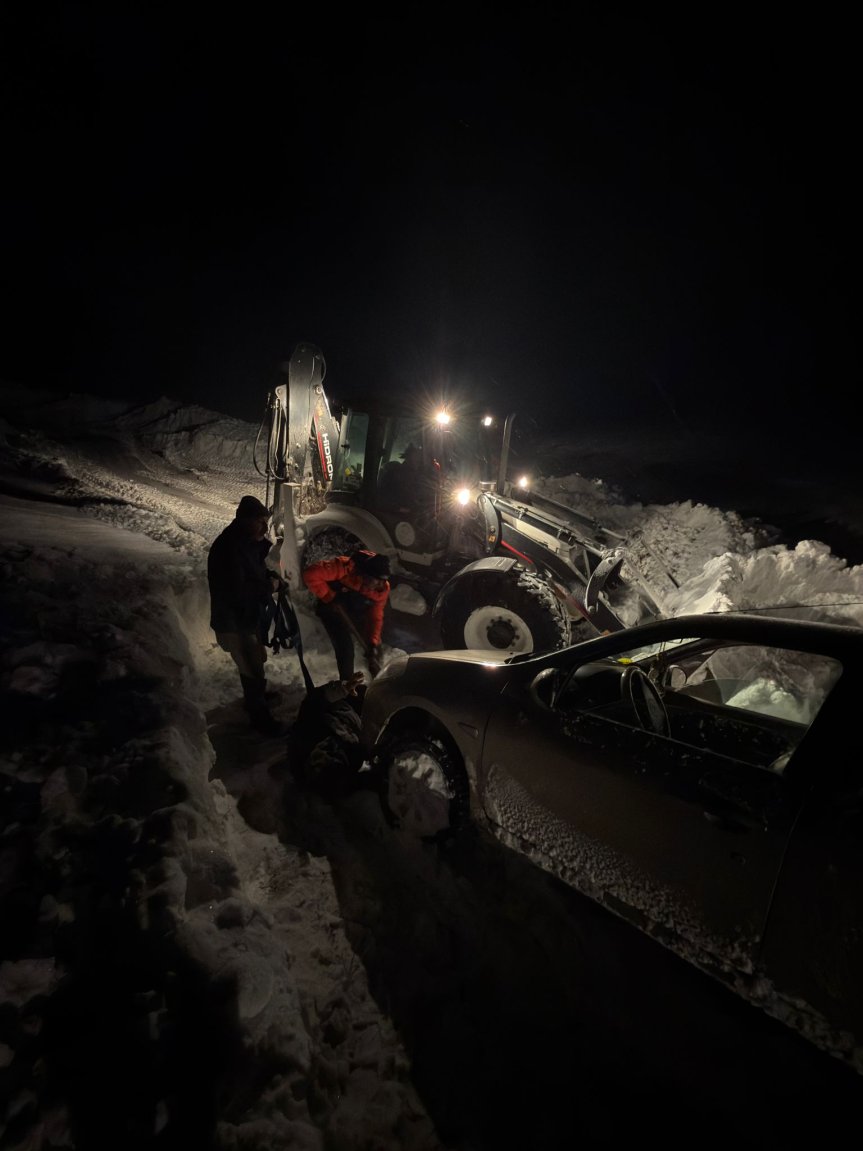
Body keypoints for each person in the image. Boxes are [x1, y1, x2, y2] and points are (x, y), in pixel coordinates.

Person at [207, 495, 286, 736]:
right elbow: (238, 590)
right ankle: (259, 716)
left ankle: (257, 697)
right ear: (244, 521)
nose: (265, 527)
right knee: (250, 665)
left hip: (246, 616)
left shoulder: (249, 542)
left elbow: (258, 570)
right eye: (260, 521)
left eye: (266, 521)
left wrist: (272, 576)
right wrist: (269, 587)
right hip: (232, 621)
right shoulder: (229, 549)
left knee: (256, 659)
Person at [302, 549, 391, 680]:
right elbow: (310, 574)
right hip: (332, 607)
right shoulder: (345, 567)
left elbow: (375, 617)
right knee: (346, 648)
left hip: (354, 608)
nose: (377, 585)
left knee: (375, 646)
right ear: (364, 574)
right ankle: (347, 684)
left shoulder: (381, 589)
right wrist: (330, 597)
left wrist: (372, 642)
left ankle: (378, 676)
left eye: (380, 582)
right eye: (373, 580)